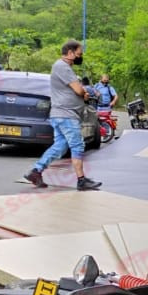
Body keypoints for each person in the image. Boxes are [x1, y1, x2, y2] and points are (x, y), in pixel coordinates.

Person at [24, 40, 101, 191]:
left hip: (62, 114)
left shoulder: (63, 67)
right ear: (70, 53)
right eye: (79, 54)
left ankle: (36, 171)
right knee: (77, 145)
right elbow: (78, 90)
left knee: (60, 146)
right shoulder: (62, 67)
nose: (80, 57)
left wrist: (83, 93)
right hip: (66, 114)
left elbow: (77, 90)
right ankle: (81, 180)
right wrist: (84, 93)